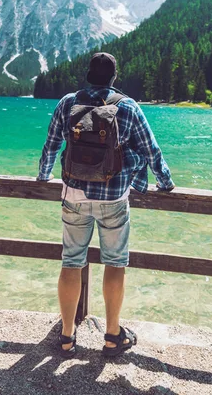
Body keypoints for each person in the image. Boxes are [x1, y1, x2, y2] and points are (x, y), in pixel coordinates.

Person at [37, 52, 174, 357]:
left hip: (73, 195)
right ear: (114, 77)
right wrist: (164, 183)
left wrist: (43, 175)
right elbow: (152, 150)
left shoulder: (68, 102)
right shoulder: (127, 106)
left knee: (71, 261)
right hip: (113, 199)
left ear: (88, 75)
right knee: (115, 263)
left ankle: (67, 336)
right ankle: (112, 336)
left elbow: (51, 144)